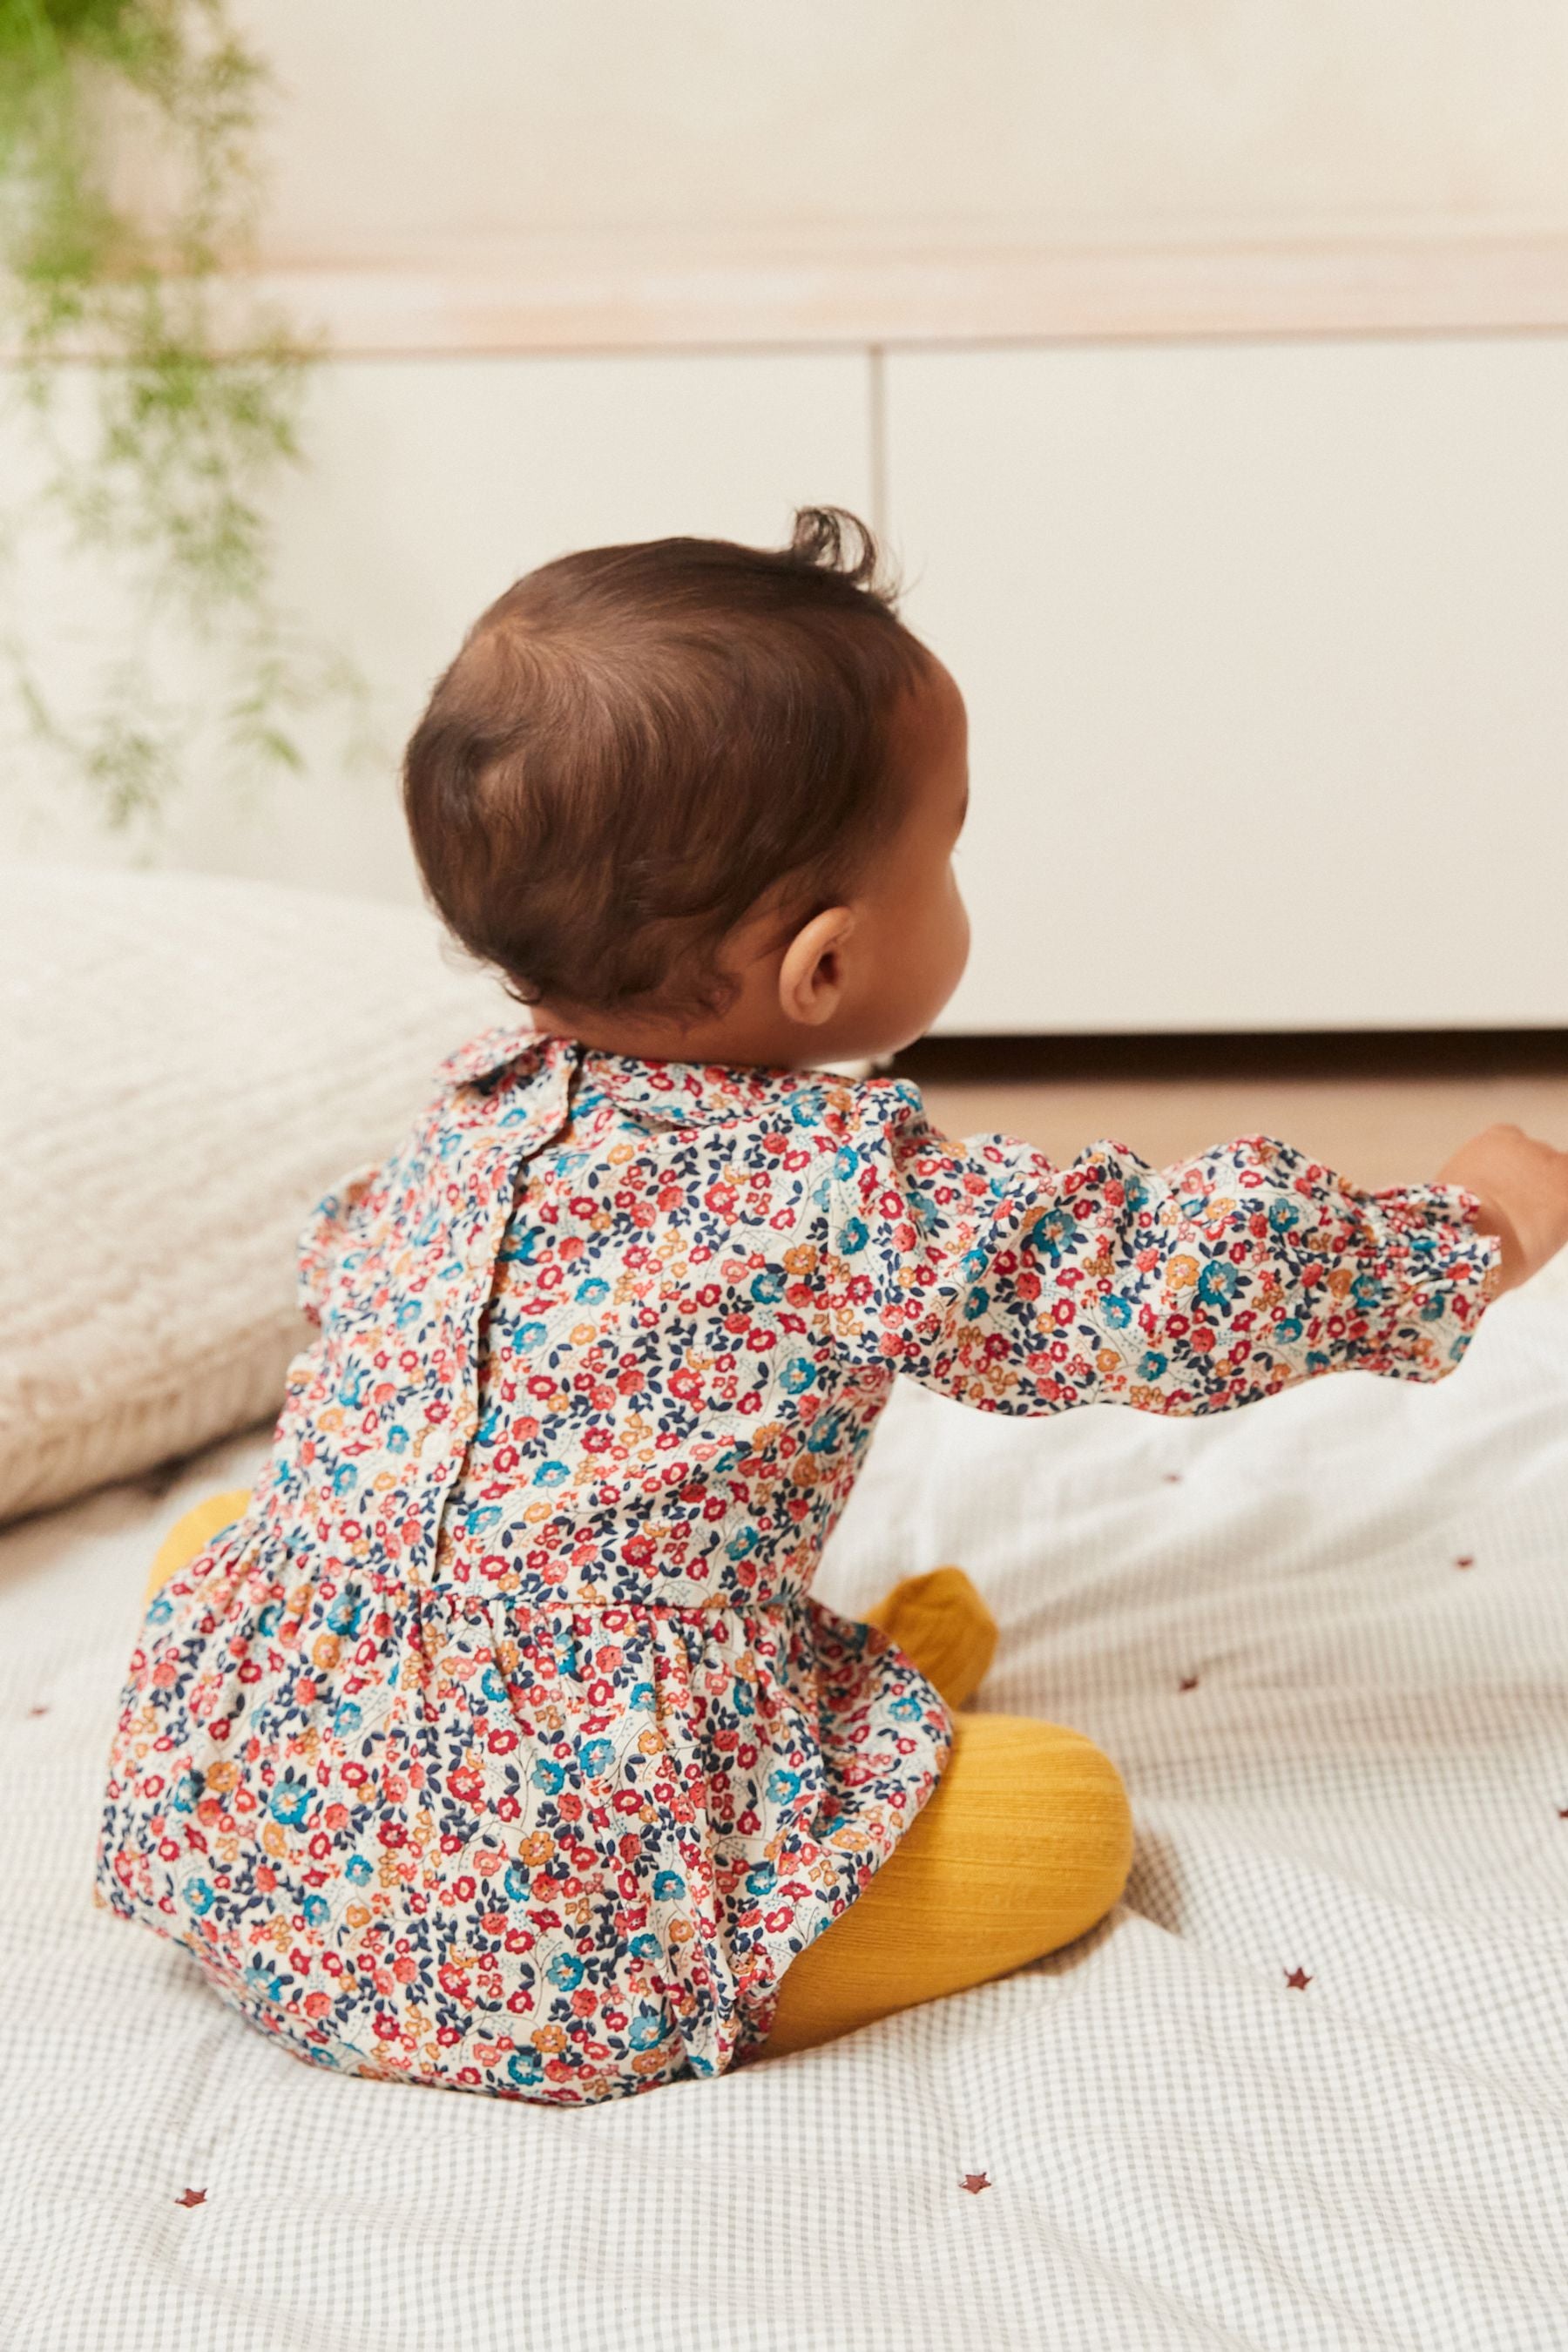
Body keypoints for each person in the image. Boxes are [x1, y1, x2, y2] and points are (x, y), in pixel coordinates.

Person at [97, 509, 1568, 2104]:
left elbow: (372, 1306)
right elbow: (1148, 1284)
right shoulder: (840, 1189)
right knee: (1064, 1824)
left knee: (279, 1541)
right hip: (562, 1922)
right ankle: (796, 1814)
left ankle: (790, 1697)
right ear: (824, 966)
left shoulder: (467, 1126)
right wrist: (1457, 1231)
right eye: (945, 845)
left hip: (263, 1842)